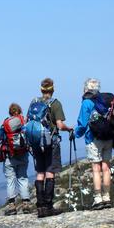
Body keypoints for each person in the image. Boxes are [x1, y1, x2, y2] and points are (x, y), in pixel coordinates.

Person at [28, 78, 72, 218]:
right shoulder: (55, 104)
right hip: (51, 142)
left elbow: (28, 121)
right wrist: (68, 128)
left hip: (36, 142)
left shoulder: (34, 102)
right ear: (52, 90)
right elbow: (59, 125)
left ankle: (40, 207)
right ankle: (48, 206)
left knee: (40, 172)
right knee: (50, 172)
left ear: (41, 90)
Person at [73, 78, 113, 210]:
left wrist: (76, 134)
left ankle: (98, 199)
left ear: (86, 88)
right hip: (109, 137)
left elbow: (82, 123)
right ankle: (107, 197)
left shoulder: (87, 102)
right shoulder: (106, 100)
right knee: (106, 168)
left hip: (93, 138)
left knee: (96, 168)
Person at [0, 103, 32, 215]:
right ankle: (26, 203)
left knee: (10, 180)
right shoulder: (24, 122)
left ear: (10, 112)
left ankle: (12, 206)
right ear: (19, 111)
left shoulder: (5, 123)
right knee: (23, 178)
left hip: (10, 156)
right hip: (23, 155)